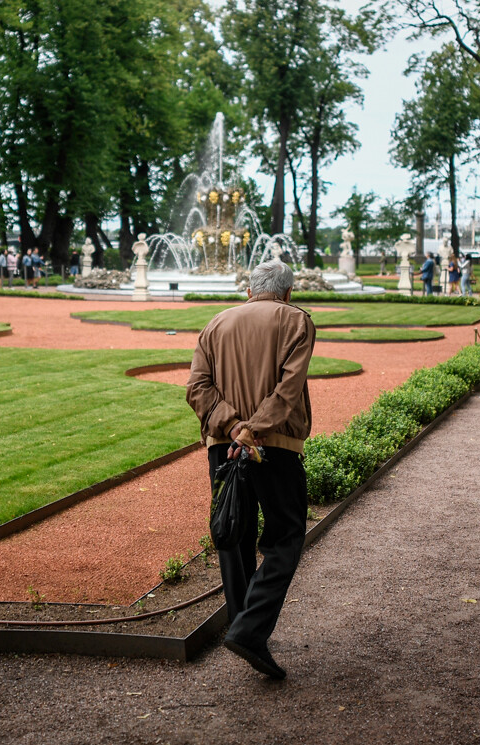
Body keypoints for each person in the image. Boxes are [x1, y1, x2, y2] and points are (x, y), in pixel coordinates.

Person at [186, 259, 315, 679]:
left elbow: (196, 389)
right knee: (286, 535)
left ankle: (244, 625)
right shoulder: (296, 321)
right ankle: (249, 630)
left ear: (248, 291)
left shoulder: (216, 323)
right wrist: (254, 430)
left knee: (233, 533)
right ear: (288, 293)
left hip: (223, 446)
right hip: (274, 446)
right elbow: (288, 390)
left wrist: (233, 426)